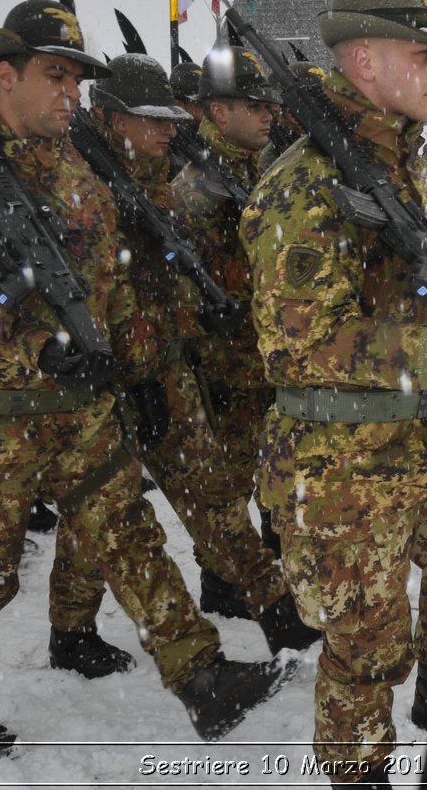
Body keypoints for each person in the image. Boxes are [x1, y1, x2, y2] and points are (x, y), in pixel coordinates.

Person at [0, 0, 291, 754]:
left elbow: (111, 286)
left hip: (77, 405)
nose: (67, 95)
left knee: (131, 533)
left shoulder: (80, 179)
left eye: (75, 81)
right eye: (53, 76)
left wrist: (128, 364)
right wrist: (41, 341)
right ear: (4, 76)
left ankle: (200, 675)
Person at [240, 0, 427, 784]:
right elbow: (299, 344)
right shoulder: (302, 186)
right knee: (368, 648)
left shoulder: (417, 170)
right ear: (364, 61)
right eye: (425, 52)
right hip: (340, 461)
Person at [47, 53, 318, 676]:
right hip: (106, 377)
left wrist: (198, 320)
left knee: (213, 495)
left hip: (167, 364)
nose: (172, 129)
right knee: (100, 509)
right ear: (111, 119)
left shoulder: (159, 186)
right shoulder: (81, 190)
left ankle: (275, 610)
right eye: (154, 119)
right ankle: (71, 628)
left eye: (173, 116)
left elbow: (168, 283)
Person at [172, 47, 284, 611]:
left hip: (265, 360)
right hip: (226, 365)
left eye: (270, 104)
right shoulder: (196, 189)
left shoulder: (264, 174)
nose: (268, 114)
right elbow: (178, 281)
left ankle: (255, 568)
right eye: (254, 104)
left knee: (271, 473)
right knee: (228, 480)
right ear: (217, 113)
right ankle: (223, 584)